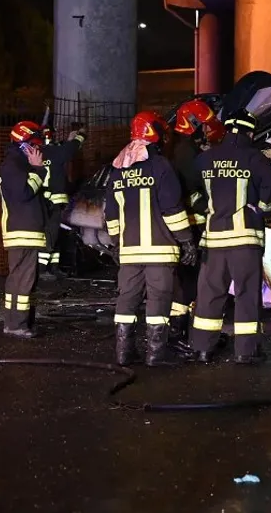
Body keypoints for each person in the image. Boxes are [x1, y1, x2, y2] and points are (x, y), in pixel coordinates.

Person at [105, 111, 199, 367]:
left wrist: (116, 243)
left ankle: (123, 353)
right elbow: (172, 209)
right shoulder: (160, 166)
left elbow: (111, 213)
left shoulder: (117, 170)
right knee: (159, 299)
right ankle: (156, 355)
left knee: (127, 299)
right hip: (159, 251)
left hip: (129, 252)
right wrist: (187, 240)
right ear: (155, 133)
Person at [188, 110, 271, 364]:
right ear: (250, 132)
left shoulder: (205, 159)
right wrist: (260, 208)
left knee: (209, 294)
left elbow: (190, 192)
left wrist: (204, 207)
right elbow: (270, 193)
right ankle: (246, 352)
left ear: (227, 130)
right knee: (247, 294)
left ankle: (203, 348)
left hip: (214, 241)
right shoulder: (255, 158)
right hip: (245, 241)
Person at [167, 99, 224, 350]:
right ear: (194, 125)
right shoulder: (187, 154)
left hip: (186, 227)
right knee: (192, 283)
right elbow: (196, 189)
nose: (207, 130)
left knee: (188, 283)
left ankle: (182, 332)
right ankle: (183, 335)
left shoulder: (181, 148)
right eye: (204, 125)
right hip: (191, 227)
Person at [0, 121, 48, 338]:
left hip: (25, 231)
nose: (38, 149)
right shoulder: (13, 166)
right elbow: (25, 193)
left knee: (22, 279)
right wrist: (38, 169)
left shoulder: (16, 163)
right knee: (22, 280)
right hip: (23, 232)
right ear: (24, 144)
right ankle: (17, 325)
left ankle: (17, 322)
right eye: (34, 144)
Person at [39, 124, 86, 279]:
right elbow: (72, 148)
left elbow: (63, 149)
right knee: (51, 236)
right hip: (54, 203)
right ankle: (43, 270)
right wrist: (80, 135)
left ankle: (53, 267)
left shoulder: (38, 153)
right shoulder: (56, 152)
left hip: (44, 202)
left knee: (55, 235)